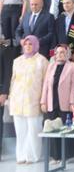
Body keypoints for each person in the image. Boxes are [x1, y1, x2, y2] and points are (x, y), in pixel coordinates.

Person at [8, 35, 48, 164]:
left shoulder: (42, 60)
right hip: (17, 100)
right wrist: (10, 97)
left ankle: (32, 156)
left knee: (34, 129)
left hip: (34, 100)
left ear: (35, 45)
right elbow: (13, 80)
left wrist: (43, 100)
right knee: (20, 131)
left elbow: (46, 83)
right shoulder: (17, 61)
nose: (28, 46)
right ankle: (21, 156)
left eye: (30, 44)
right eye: (25, 44)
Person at [40, 44, 74, 163]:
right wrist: (43, 101)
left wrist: (72, 102)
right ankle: (55, 156)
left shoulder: (73, 66)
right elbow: (46, 85)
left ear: (67, 54)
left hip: (66, 103)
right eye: (57, 53)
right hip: (52, 102)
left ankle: (65, 156)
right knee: (53, 130)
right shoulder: (51, 66)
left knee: (65, 129)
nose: (59, 55)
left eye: (62, 52)